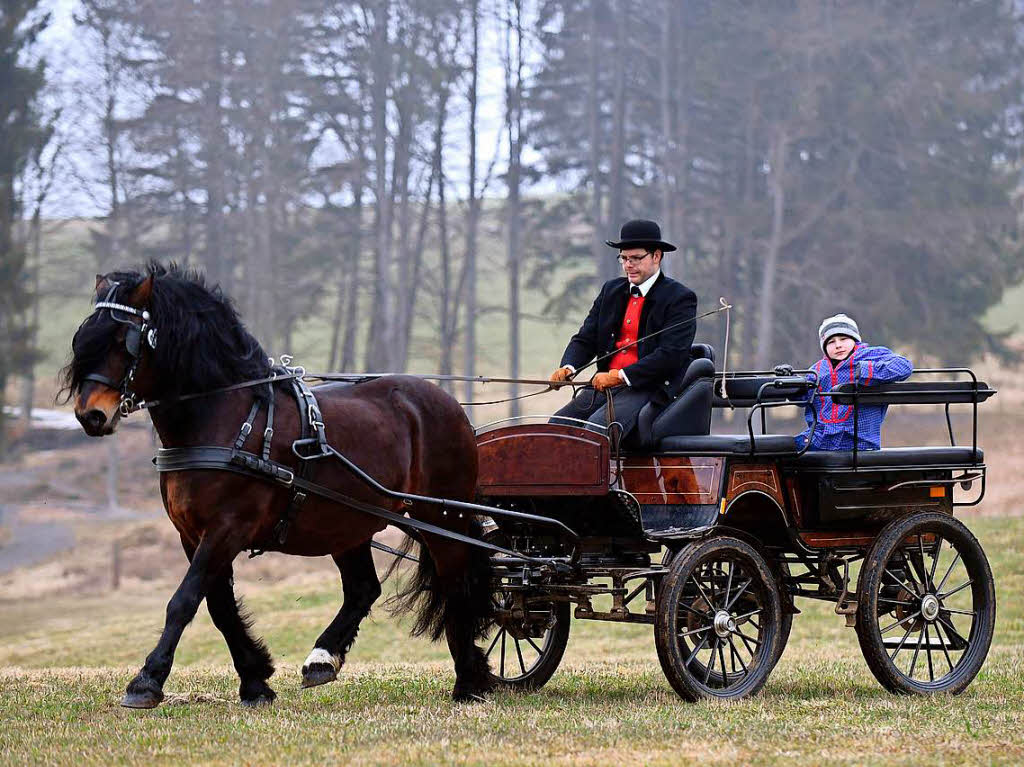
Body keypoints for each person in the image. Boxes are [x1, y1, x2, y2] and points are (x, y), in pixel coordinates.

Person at [549, 219, 698, 438]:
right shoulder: (610, 291)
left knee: (596, 432)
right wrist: (569, 367)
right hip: (604, 387)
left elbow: (671, 355)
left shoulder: (680, 298)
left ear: (656, 256)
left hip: (647, 388)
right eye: (624, 258)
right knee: (556, 427)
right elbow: (586, 338)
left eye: (636, 258)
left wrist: (621, 376)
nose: (628, 265)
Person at [796, 313, 913, 451]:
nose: (838, 345)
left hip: (857, 440)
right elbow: (801, 398)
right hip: (819, 439)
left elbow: (904, 366)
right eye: (831, 342)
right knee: (775, 451)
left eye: (843, 339)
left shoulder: (871, 355)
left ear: (854, 339)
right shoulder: (817, 369)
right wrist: (790, 382)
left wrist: (865, 371)